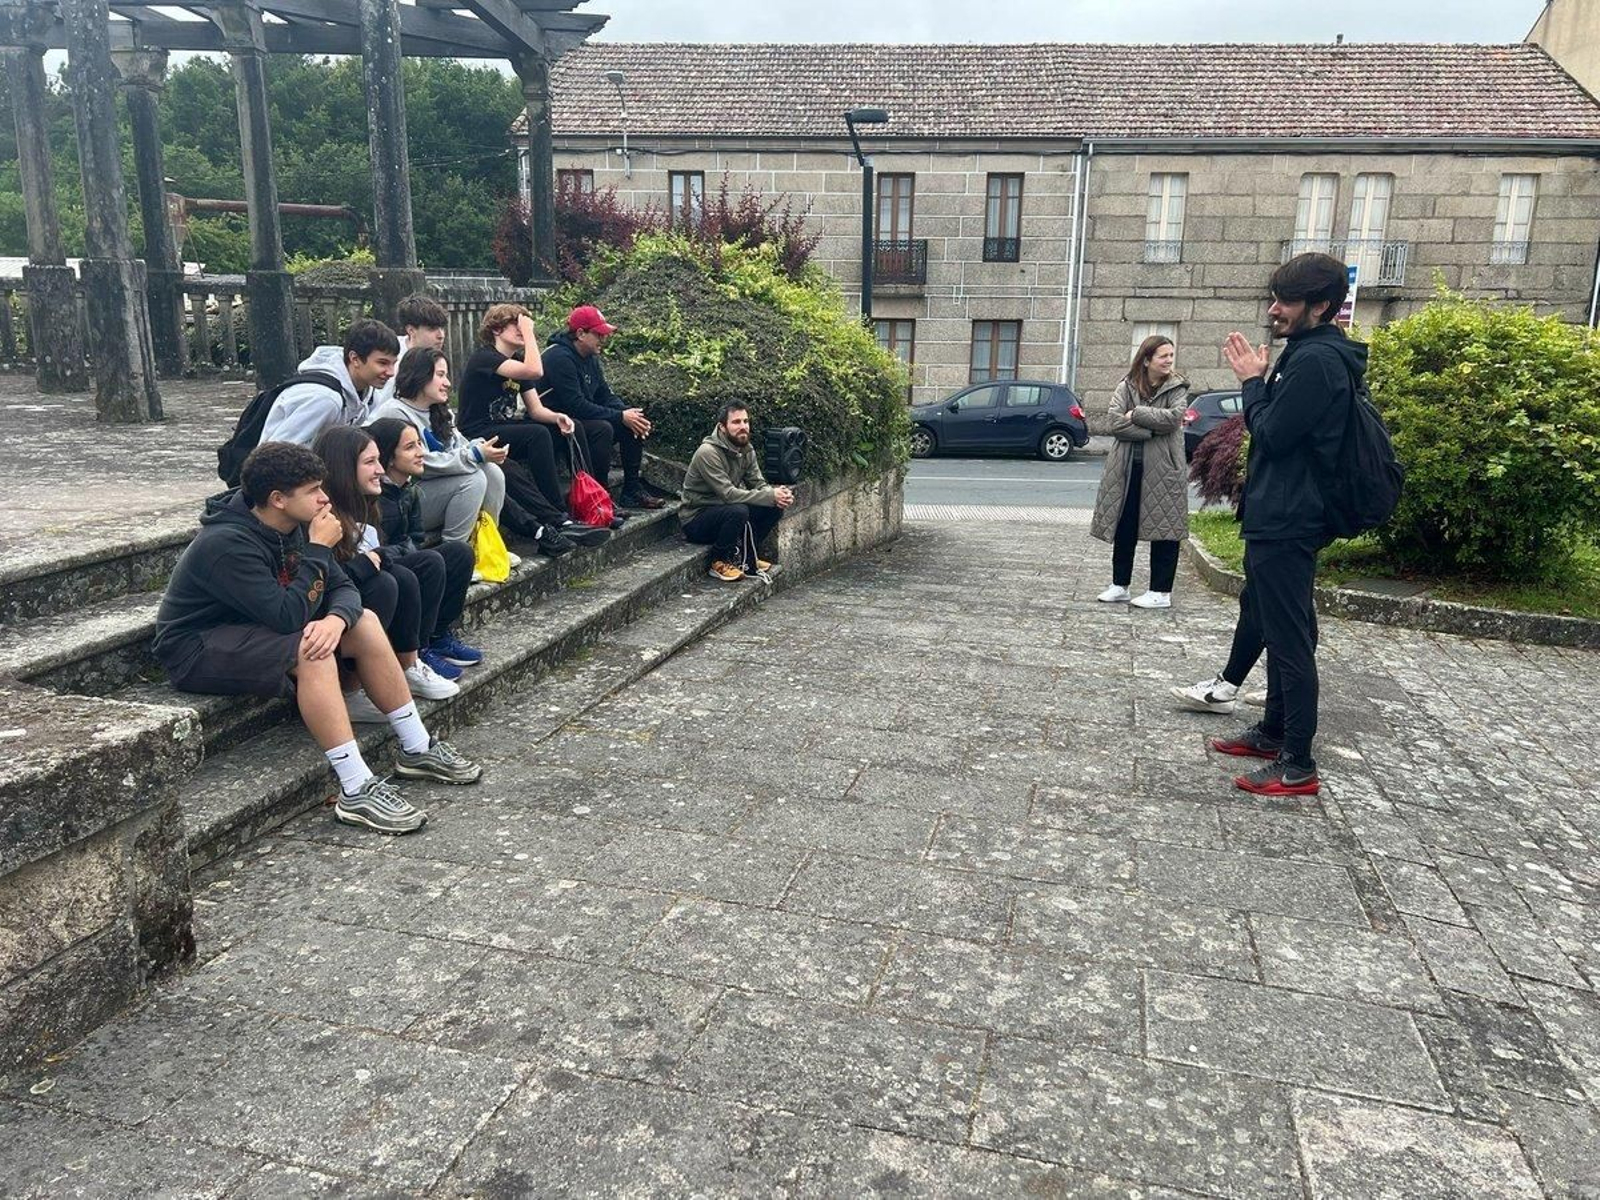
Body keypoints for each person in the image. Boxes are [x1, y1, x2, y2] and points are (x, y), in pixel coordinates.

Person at [151, 442, 482, 834]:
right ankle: (355, 787)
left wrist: (337, 620)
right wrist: (318, 551)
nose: (325, 498)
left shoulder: (293, 525)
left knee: (364, 621)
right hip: (197, 647)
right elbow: (288, 617)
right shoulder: (225, 544)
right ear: (278, 499)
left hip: (258, 628)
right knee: (311, 650)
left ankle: (417, 747)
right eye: (313, 490)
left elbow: (343, 588)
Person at [1206, 252, 1362, 798]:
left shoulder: (1318, 362)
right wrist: (1263, 381)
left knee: (1291, 637)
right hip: (1278, 511)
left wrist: (1252, 382)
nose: (1274, 309)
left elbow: (1271, 434)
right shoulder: (1307, 352)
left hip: (1290, 517)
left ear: (1321, 305)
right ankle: (1273, 732)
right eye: (1274, 298)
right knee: (1271, 619)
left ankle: (1297, 762)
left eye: (1287, 301)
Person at [311, 423, 474, 712]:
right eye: (370, 462)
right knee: (396, 579)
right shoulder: (321, 513)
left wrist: (381, 556)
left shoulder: (370, 500)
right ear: (344, 468)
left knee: (449, 556)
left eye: (378, 460)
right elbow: (323, 578)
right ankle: (359, 682)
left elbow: (408, 540)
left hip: (366, 576)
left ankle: (423, 649)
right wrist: (370, 562)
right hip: (331, 606)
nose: (380, 470)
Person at [457, 303, 610, 552]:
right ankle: (558, 516)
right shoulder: (485, 358)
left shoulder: (518, 361)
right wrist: (529, 332)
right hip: (477, 432)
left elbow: (536, 409)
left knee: (568, 428)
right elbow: (535, 370)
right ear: (496, 329)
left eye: (523, 325)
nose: (521, 329)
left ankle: (591, 502)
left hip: (504, 429)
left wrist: (558, 417)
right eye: (515, 324)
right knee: (536, 434)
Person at [366, 417, 484, 673]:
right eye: (410, 447)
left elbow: (416, 537)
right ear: (389, 456)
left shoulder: (409, 490)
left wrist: (407, 550)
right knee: (429, 562)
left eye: (420, 443)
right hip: (380, 567)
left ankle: (438, 635)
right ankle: (418, 649)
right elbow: (374, 548)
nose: (421, 452)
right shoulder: (373, 496)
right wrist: (405, 551)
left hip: (402, 556)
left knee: (460, 553)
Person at [366, 346, 514, 544]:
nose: (448, 383)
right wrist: (474, 455)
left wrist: (481, 448)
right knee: (473, 480)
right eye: (441, 375)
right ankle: (456, 550)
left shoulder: (440, 411)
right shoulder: (394, 413)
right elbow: (421, 464)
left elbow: (459, 446)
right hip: (400, 497)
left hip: (433, 488)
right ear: (421, 375)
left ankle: (486, 543)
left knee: (492, 472)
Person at [1090, 335, 1190, 609]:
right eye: (1163, 356)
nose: (1169, 360)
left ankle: (1160, 592)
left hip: (1164, 469)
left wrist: (1135, 414)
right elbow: (1114, 423)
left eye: (1171, 355)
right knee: (1125, 525)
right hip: (1126, 468)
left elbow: (1173, 419)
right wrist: (1151, 431)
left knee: (1165, 528)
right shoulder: (1126, 385)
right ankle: (1119, 585)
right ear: (1147, 360)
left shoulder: (1177, 387)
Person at [541, 304, 665, 511]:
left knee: (633, 422)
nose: (604, 339)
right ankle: (600, 494)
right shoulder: (559, 358)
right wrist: (619, 416)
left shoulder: (590, 357)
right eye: (599, 334)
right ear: (581, 334)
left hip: (578, 419)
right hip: (554, 422)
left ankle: (632, 490)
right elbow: (575, 405)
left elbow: (603, 394)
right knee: (603, 428)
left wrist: (627, 414)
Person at [680, 402, 793, 581]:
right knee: (738, 511)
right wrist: (769, 495)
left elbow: (758, 483)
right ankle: (718, 561)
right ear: (722, 427)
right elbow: (728, 494)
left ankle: (746, 555)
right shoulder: (707, 453)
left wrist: (778, 496)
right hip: (697, 519)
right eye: (736, 422)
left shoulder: (746, 449)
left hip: (724, 509)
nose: (743, 427)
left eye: (746, 421)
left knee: (773, 507)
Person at [260, 319, 401, 447]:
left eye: (393, 363)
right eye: (382, 363)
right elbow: (277, 454)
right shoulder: (324, 399)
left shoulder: (369, 395)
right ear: (355, 359)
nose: (391, 372)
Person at [373, 294, 448, 406]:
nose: (441, 335)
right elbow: (380, 405)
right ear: (411, 330)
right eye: (432, 329)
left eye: (442, 328)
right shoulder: (394, 362)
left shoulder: (435, 358)